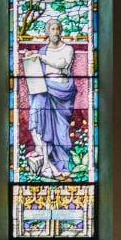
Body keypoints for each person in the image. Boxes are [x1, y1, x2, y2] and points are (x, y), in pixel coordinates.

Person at [24, 19, 77, 178]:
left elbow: (61, 64)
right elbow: (34, 67)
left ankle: (62, 164)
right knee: (40, 122)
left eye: (58, 28)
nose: (55, 31)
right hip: (44, 89)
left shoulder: (68, 49)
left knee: (61, 130)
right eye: (52, 29)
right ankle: (47, 163)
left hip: (62, 92)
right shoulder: (42, 50)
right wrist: (30, 57)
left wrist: (40, 57)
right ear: (47, 32)